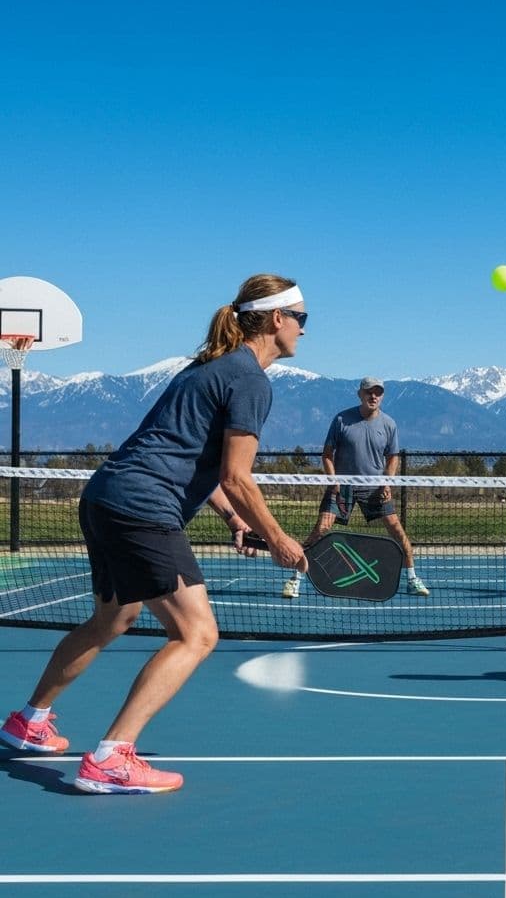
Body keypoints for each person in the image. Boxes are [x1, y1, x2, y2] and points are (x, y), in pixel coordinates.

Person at [0, 274, 309, 791]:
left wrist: (234, 519)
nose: (304, 329)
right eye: (302, 318)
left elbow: (192, 459)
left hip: (106, 497)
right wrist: (278, 538)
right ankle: (111, 758)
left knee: (112, 619)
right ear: (277, 319)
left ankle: (28, 722)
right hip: (143, 507)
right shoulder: (251, 379)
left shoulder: (207, 368)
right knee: (196, 633)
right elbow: (236, 475)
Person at [283, 376, 429, 598]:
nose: (373, 396)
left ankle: (412, 578)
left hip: (375, 488)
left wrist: (386, 482)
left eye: (378, 392)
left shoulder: (389, 424)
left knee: (398, 533)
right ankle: (295, 579)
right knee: (320, 530)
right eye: (369, 392)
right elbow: (327, 455)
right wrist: (334, 482)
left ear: (382, 396)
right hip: (343, 487)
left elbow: (392, 458)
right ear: (360, 394)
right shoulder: (342, 419)